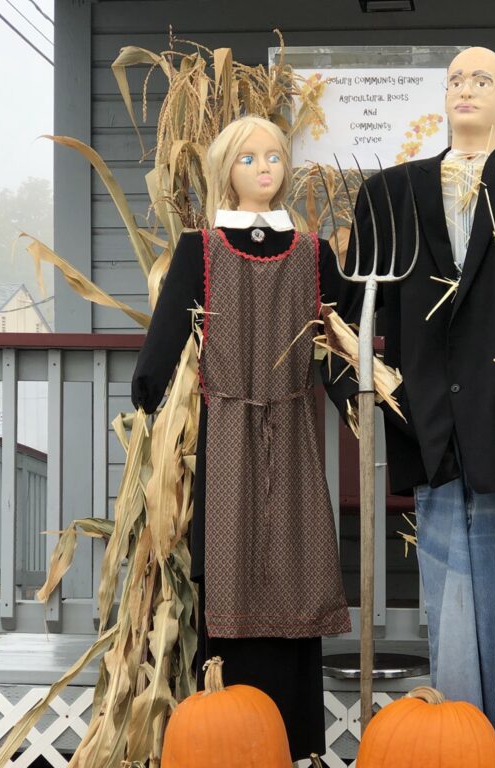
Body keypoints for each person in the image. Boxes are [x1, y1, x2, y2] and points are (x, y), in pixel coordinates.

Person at [324, 47, 495, 767]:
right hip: (430, 424)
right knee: (445, 597)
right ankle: (454, 753)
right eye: (454, 79)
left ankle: (494, 753)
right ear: (441, 99)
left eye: (482, 79)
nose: (466, 88)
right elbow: (355, 314)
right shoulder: (391, 195)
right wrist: (371, 386)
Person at [131, 115, 351, 761]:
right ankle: (231, 743)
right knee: (225, 576)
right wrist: (150, 388)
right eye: (249, 157)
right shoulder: (202, 250)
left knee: (298, 572)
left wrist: (372, 407)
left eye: (275, 156)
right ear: (226, 168)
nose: (264, 166)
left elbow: (337, 354)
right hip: (225, 429)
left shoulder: (315, 255)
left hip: (294, 434)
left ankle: (296, 742)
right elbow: (167, 336)